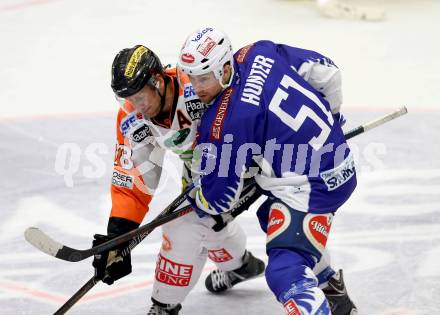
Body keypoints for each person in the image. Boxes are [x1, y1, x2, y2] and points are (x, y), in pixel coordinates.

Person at [177, 27, 358, 315]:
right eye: (191, 78)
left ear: (224, 69)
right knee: (274, 218)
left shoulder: (224, 120)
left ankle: (323, 298)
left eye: (203, 78)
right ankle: (332, 291)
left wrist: (195, 194)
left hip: (312, 187)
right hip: (339, 161)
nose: (197, 88)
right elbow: (327, 73)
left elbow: (219, 200)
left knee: (284, 271)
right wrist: (331, 119)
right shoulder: (258, 52)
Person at [91, 45, 266, 315]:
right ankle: (240, 266)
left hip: (252, 156)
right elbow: (134, 178)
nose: (136, 107)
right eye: (127, 99)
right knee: (207, 222)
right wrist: (119, 236)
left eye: (140, 97)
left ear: (158, 82)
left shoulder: (196, 84)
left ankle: (164, 305)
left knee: (182, 226)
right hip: (202, 168)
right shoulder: (131, 117)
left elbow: (248, 100)